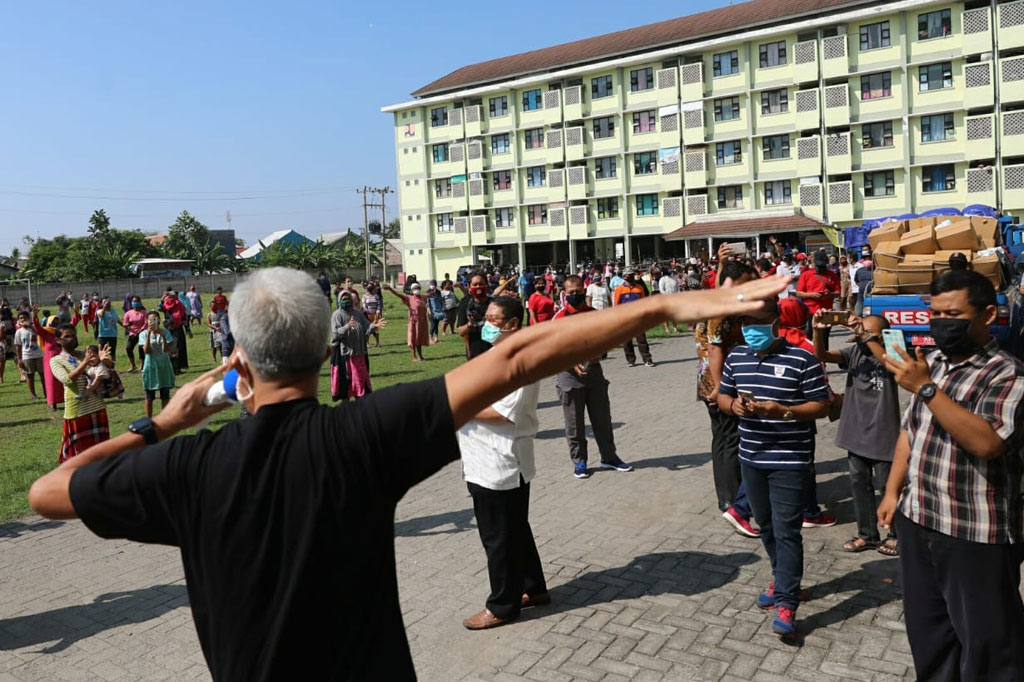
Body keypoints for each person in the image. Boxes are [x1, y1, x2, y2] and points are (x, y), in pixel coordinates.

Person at [27, 267, 785, 681]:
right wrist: (665, 305)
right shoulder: (361, 436)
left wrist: (162, 424)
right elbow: (517, 357)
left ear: (237, 362)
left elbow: (47, 494)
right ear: (324, 352)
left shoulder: (187, 465)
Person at [877, 270, 1024, 680]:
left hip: (974, 533)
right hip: (919, 519)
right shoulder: (933, 365)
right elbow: (910, 432)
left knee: (990, 645)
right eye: (936, 313)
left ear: (988, 315)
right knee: (931, 637)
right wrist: (892, 491)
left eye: (954, 314)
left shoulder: (1007, 374)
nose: (942, 322)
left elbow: (987, 443)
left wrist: (927, 390)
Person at [717, 297, 831, 638]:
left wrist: (785, 411)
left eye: (757, 321)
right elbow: (722, 396)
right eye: (745, 322)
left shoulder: (802, 358)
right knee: (765, 526)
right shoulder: (736, 357)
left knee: (786, 531)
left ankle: (787, 601)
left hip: (790, 461)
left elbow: (822, 405)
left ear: (776, 322)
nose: (750, 329)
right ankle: (782, 579)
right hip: (751, 460)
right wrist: (734, 406)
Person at [458, 296, 548, 630]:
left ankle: (502, 605)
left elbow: (504, 413)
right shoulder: (496, 354)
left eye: (495, 319)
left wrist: (459, 405)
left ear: (513, 324)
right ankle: (533, 587)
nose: (488, 323)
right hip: (486, 458)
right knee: (515, 529)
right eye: (487, 317)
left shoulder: (520, 362)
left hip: (499, 461)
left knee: (498, 537)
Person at [812, 311, 900, 556]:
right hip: (855, 433)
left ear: (882, 336)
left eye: (869, 332)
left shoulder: (893, 353)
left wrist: (868, 336)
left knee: (887, 487)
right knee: (860, 485)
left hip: (883, 434)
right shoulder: (854, 353)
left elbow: (893, 365)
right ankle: (867, 534)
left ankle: (896, 535)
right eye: (860, 331)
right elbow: (821, 355)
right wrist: (817, 330)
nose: (861, 335)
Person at [696, 261, 759, 538]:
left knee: (722, 440)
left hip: (716, 381)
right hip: (719, 383)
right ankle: (734, 503)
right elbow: (715, 348)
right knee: (731, 440)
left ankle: (727, 498)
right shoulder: (722, 308)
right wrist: (722, 387)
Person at [553, 276, 631, 479]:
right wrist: (573, 363)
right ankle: (580, 461)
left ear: (584, 290)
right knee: (574, 424)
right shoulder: (560, 318)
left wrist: (600, 353)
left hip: (594, 374)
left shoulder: (595, 314)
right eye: (571, 292)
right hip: (569, 377)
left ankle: (609, 457)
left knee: (602, 419)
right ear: (564, 294)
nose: (575, 295)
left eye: (579, 291)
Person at [50, 325, 112, 462]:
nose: (72, 338)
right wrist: (85, 362)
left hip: (97, 406)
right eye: (67, 336)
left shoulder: (84, 353)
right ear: (58, 340)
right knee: (80, 457)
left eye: (73, 335)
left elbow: (107, 367)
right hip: (78, 411)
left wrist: (103, 359)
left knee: (101, 453)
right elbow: (67, 380)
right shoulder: (56, 360)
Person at [330, 291, 383, 401]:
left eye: (348, 299)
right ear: (339, 300)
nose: (346, 301)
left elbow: (366, 326)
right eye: (343, 299)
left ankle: (359, 407)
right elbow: (335, 334)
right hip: (344, 356)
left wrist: (373, 325)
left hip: (359, 354)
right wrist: (347, 327)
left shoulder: (358, 314)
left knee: (360, 385)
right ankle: (346, 407)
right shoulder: (336, 315)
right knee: (346, 385)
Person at [613, 267, 654, 367]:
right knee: (627, 341)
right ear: (624, 277)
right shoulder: (620, 289)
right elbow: (617, 304)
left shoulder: (639, 288)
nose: (629, 277)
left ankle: (647, 359)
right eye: (627, 275)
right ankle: (631, 360)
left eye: (631, 275)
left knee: (642, 340)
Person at [140, 311, 176, 418]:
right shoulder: (143, 334)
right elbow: (146, 351)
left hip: (164, 365)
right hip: (150, 366)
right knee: (149, 395)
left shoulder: (165, 332)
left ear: (159, 320)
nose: (153, 321)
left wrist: (163, 336)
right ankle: (149, 419)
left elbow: (166, 349)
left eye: (155, 319)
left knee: (165, 394)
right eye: (151, 319)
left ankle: (164, 418)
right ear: (146, 321)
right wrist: (149, 334)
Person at [384, 282, 428, 362]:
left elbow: (430, 295)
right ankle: (414, 356)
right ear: (412, 290)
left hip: (421, 323)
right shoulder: (409, 299)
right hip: (413, 322)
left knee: (419, 339)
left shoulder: (424, 298)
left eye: (418, 288)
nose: (417, 290)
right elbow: (399, 295)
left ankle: (420, 356)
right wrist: (390, 289)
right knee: (413, 339)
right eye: (415, 288)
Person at [33, 308, 65, 412]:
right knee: (51, 381)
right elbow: (37, 327)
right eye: (53, 322)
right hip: (49, 359)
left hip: (61, 358)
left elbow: (72, 326)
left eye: (57, 322)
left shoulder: (61, 333)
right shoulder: (45, 332)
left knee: (63, 379)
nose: (55, 324)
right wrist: (35, 316)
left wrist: (77, 314)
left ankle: (66, 400)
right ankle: (53, 403)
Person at [457, 273, 493, 360]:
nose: (478, 287)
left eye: (481, 284)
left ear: (486, 285)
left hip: (493, 349)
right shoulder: (465, 303)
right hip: (474, 351)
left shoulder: (494, 303)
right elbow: (461, 332)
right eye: (475, 284)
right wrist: (470, 324)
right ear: (469, 287)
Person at [796, 250, 841, 319]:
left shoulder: (833, 275)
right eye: (819, 265)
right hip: (809, 311)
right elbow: (799, 293)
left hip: (826, 312)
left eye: (823, 265)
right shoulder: (805, 275)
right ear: (814, 262)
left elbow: (838, 292)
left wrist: (830, 294)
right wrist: (812, 295)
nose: (821, 268)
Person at [14, 311, 45, 401]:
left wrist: (30, 326)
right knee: (30, 376)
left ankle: (47, 393)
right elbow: (18, 347)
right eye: (21, 318)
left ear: (29, 318)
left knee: (43, 375)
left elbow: (41, 334)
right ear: (18, 320)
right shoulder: (19, 332)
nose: (23, 319)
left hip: (39, 355)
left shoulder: (35, 328)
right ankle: (33, 395)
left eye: (25, 317)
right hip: (27, 356)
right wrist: (19, 359)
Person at [160, 290, 189, 374]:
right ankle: (170, 368)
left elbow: (184, 317)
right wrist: (162, 299)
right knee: (169, 347)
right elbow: (159, 308)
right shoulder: (165, 305)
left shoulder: (179, 305)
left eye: (173, 297)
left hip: (178, 329)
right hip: (168, 329)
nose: (171, 299)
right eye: (170, 297)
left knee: (179, 347)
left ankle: (178, 367)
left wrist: (187, 329)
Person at [121, 297, 148, 373]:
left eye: (136, 301)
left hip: (142, 333)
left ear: (139, 302)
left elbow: (146, 323)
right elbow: (124, 323)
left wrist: (141, 330)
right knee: (128, 348)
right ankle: (133, 365)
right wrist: (128, 325)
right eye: (133, 301)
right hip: (132, 334)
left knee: (141, 349)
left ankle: (142, 366)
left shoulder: (144, 312)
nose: (135, 303)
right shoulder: (128, 313)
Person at [362, 282, 384, 347]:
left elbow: (378, 305)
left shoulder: (376, 296)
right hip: (367, 315)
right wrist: (367, 313)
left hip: (375, 315)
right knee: (368, 329)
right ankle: (367, 343)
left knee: (376, 329)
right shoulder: (364, 296)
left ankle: (377, 342)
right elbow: (364, 306)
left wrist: (377, 313)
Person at [659, 268, 681, 334]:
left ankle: (675, 328)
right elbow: (661, 290)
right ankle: (667, 329)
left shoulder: (674, 279)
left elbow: (677, 288)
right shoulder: (662, 279)